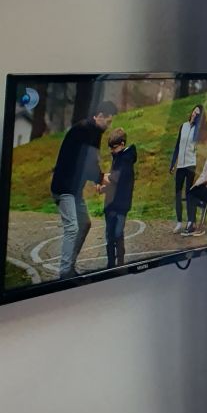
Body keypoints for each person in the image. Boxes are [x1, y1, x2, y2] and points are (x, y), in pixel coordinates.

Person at [50, 100, 117, 279]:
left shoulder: (94, 131)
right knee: (72, 227)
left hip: (74, 190)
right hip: (63, 188)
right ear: (100, 116)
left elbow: (91, 161)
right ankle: (65, 272)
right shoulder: (84, 130)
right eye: (108, 121)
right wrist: (101, 178)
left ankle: (69, 266)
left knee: (84, 224)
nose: (109, 126)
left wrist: (98, 178)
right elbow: (86, 163)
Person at [103, 128, 137, 268]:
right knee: (109, 235)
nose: (112, 150)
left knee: (118, 233)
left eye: (114, 147)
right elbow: (113, 181)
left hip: (122, 204)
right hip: (110, 203)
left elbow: (117, 178)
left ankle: (120, 263)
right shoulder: (117, 157)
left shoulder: (126, 159)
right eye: (110, 148)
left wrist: (103, 177)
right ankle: (110, 264)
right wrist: (104, 187)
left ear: (122, 144)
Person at [169, 104, 204, 233]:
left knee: (189, 194)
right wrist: (173, 163)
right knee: (178, 194)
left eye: (198, 113)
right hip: (180, 166)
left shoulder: (198, 130)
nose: (195, 114)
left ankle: (190, 221)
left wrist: (197, 122)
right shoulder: (183, 126)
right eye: (194, 111)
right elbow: (178, 145)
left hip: (190, 165)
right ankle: (179, 222)